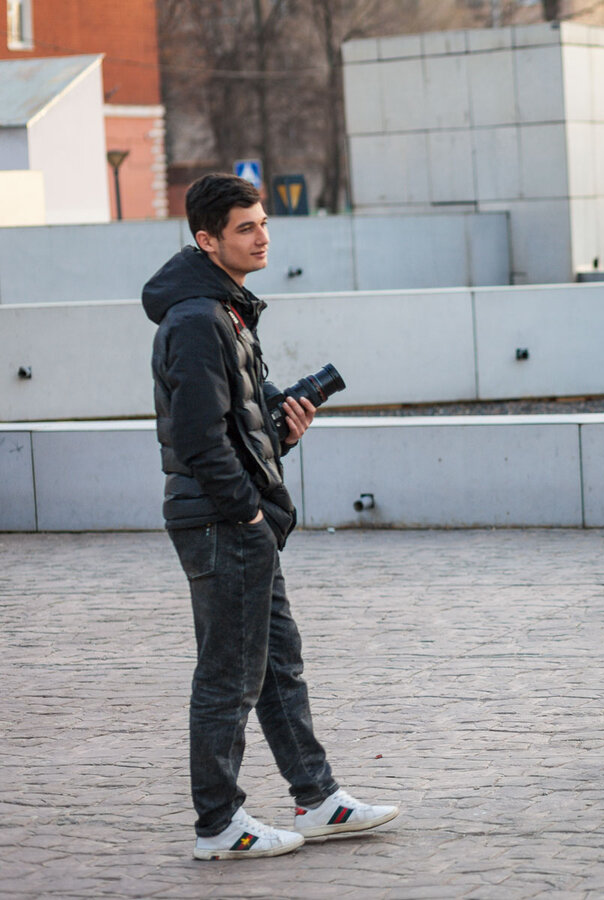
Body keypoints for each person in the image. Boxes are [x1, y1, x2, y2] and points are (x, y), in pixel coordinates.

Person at [143, 173, 398, 860]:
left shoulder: (226, 311)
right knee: (228, 675)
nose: (263, 236)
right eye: (246, 228)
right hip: (224, 524)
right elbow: (198, 441)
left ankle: (317, 799)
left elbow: (234, 428)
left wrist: (283, 426)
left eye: (263, 224)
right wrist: (250, 516)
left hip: (240, 523)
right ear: (207, 240)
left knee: (279, 665)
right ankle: (219, 825)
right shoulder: (197, 320)